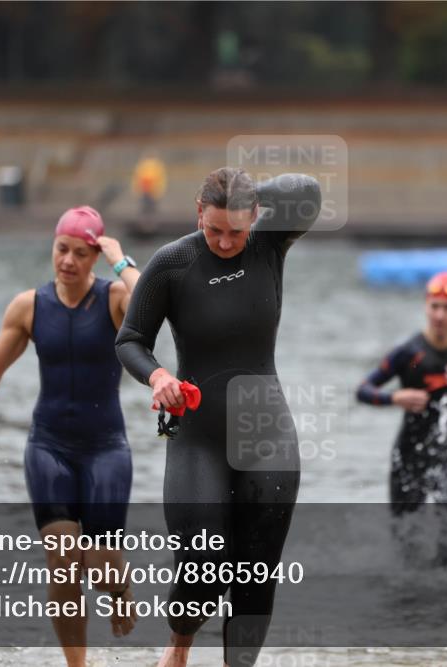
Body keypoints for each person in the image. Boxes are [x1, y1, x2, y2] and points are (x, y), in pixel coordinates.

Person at [115, 168, 321, 667]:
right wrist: (158, 376)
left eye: (236, 229)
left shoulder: (269, 245)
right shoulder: (172, 263)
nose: (226, 241)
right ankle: (180, 642)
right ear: (197, 214)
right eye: (214, 229)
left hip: (266, 431)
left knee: (256, 569)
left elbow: (310, 194)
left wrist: (253, 192)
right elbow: (130, 340)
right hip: (199, 437)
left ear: (255, 218)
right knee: (203, 561)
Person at [0, 206, 141, 667]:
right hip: (49, 446)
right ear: (52, 247)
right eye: (62, 249)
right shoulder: (30, 306)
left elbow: (150, 306)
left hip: (105, 448)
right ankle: (77, 665)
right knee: (61, 563)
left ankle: (119, 588)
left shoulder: (116, 298)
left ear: (95, 256)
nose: (69, 261)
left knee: (98, 566)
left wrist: (121, 259)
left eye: (81, 253)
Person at [357, 271, 447, 565]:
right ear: (426, 307)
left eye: (446, 308)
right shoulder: (408, 352)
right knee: (406, 549)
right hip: (409, 457)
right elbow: (363, 390)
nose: (439, 314)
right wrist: (394, 398)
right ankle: (411, 610)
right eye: (434, 306)